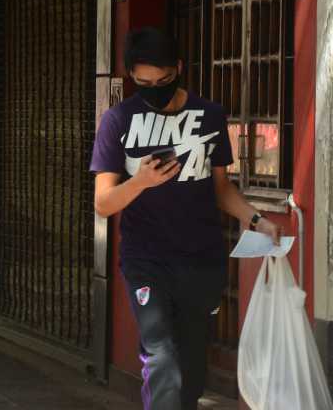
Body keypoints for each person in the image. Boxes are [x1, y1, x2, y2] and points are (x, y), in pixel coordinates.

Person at [90, 27, 281, 410]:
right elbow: (104, 203)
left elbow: (221, 189)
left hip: (201, 259)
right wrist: (141, 181)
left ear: (178, 68)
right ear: (131, 75)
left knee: (192, 364)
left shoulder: (210, 115)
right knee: (161, 355)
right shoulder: (118, 121)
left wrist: (257, 219)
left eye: (164, 80)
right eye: (144, 83)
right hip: (147, 259)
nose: (155, 89)